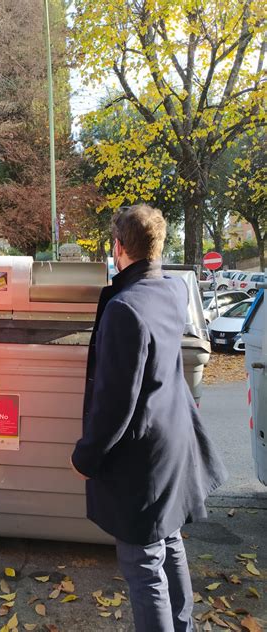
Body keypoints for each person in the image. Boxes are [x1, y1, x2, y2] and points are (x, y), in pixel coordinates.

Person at [71, 205, 228, 632]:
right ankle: (185, 626)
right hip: (174, 439)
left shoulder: (125, 307)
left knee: (143, 566)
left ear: (119, 247)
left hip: (142, 457)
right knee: (170, 541)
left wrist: (86, 455)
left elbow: (116, 403)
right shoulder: (172, 289)